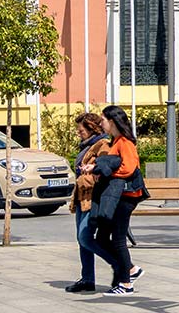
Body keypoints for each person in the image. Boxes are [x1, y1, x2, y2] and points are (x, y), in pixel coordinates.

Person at [84, 105, 146, 295]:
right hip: (116, 197)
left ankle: (126, 284)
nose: (100, 123)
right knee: (101, 238)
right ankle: (131, 269)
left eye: (102, 120)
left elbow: (128, 168)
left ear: (112, 121)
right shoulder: (116, 141)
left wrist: (101, 170)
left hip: (125, 197)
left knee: (118, 239)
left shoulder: (125, 142)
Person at [65, 112, 110, 293]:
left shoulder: (102, 145)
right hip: (82, 198)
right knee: (81, 239)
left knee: (85, 237)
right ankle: (87, 279)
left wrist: (88, 175)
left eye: (81, 129)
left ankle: (123, 266)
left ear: (92, 129)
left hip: (93, 199)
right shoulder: (88, 145)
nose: (78, 132)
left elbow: (105, 170)